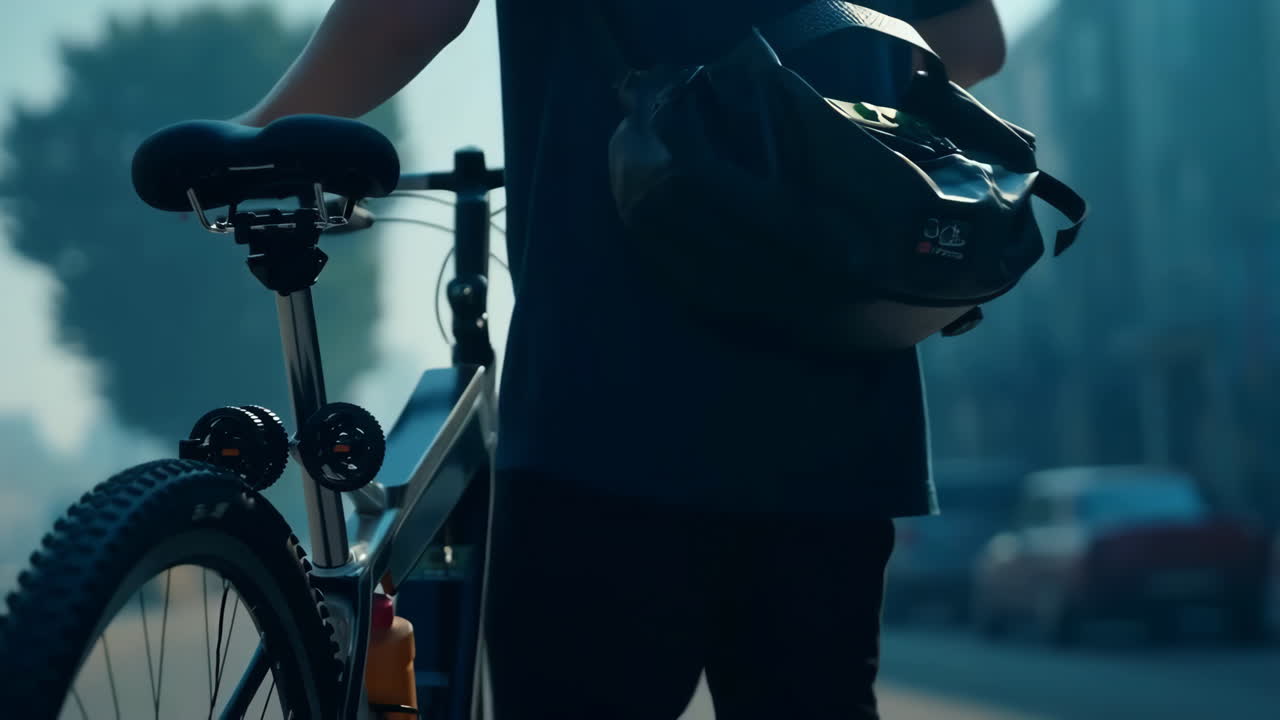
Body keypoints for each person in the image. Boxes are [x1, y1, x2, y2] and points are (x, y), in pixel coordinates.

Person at [235, 1, 1007, 717]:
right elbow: (973, 43)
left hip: (614, 400)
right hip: (835, 408)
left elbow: (411, 16)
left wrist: (254, 135)